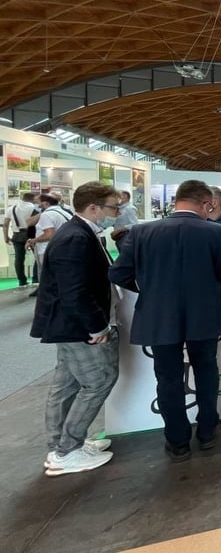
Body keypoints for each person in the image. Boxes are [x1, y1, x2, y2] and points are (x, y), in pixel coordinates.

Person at [108, 180, 221, 462]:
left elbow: (118, 274)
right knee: (207, 370)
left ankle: (177, 442)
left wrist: (149, 290)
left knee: (167, 377)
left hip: (159, 316)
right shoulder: (220, 233)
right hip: (206, 316)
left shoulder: (141, 232)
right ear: (207, 204)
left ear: (176, 201)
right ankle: (207, 432)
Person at [30, 181, 121, 477]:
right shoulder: (75, 238)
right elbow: (75, 291)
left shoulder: (80, 233)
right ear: (94, 207)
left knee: (67, 385)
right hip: (77, 327)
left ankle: (62, 445)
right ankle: (67, 450)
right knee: (99, 381)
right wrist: (96, 326)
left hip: (70, 324)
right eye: (112, 208)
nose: (116, 213)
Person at [27, 193, 74, 297]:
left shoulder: (47, 215)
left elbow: (49, 234)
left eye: (39, 202)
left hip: (47, 249)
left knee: (49, 277)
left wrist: (34, 240)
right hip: (63, 248)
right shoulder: (65, 213)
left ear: (45, 203)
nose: (38, 205)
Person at [3, 191, 40, 287]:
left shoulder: (11, 208)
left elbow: (5, 224)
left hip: (17, 235)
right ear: (32, 199)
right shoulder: (34, 208)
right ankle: (35, 279)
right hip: (32, 234)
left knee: (19, 259)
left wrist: (6, 237)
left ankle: (22, 281)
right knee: (37, 257)